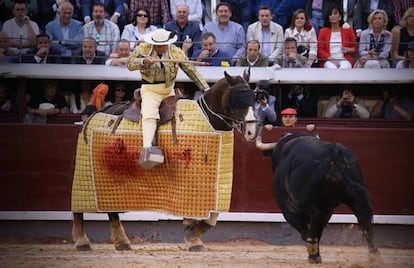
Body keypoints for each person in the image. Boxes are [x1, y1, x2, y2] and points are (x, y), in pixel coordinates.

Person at [127, 28, 210, 168]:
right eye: (158, 45)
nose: (160, 48)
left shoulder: (176, 52)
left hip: (169, 91)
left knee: (182, 114)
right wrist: (142, 61)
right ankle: (147, 149)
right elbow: (130, 64)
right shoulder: (143, 49)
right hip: (150, 90)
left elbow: (191, 70)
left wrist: (205, 88)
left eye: (163, 45)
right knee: (149, 114)